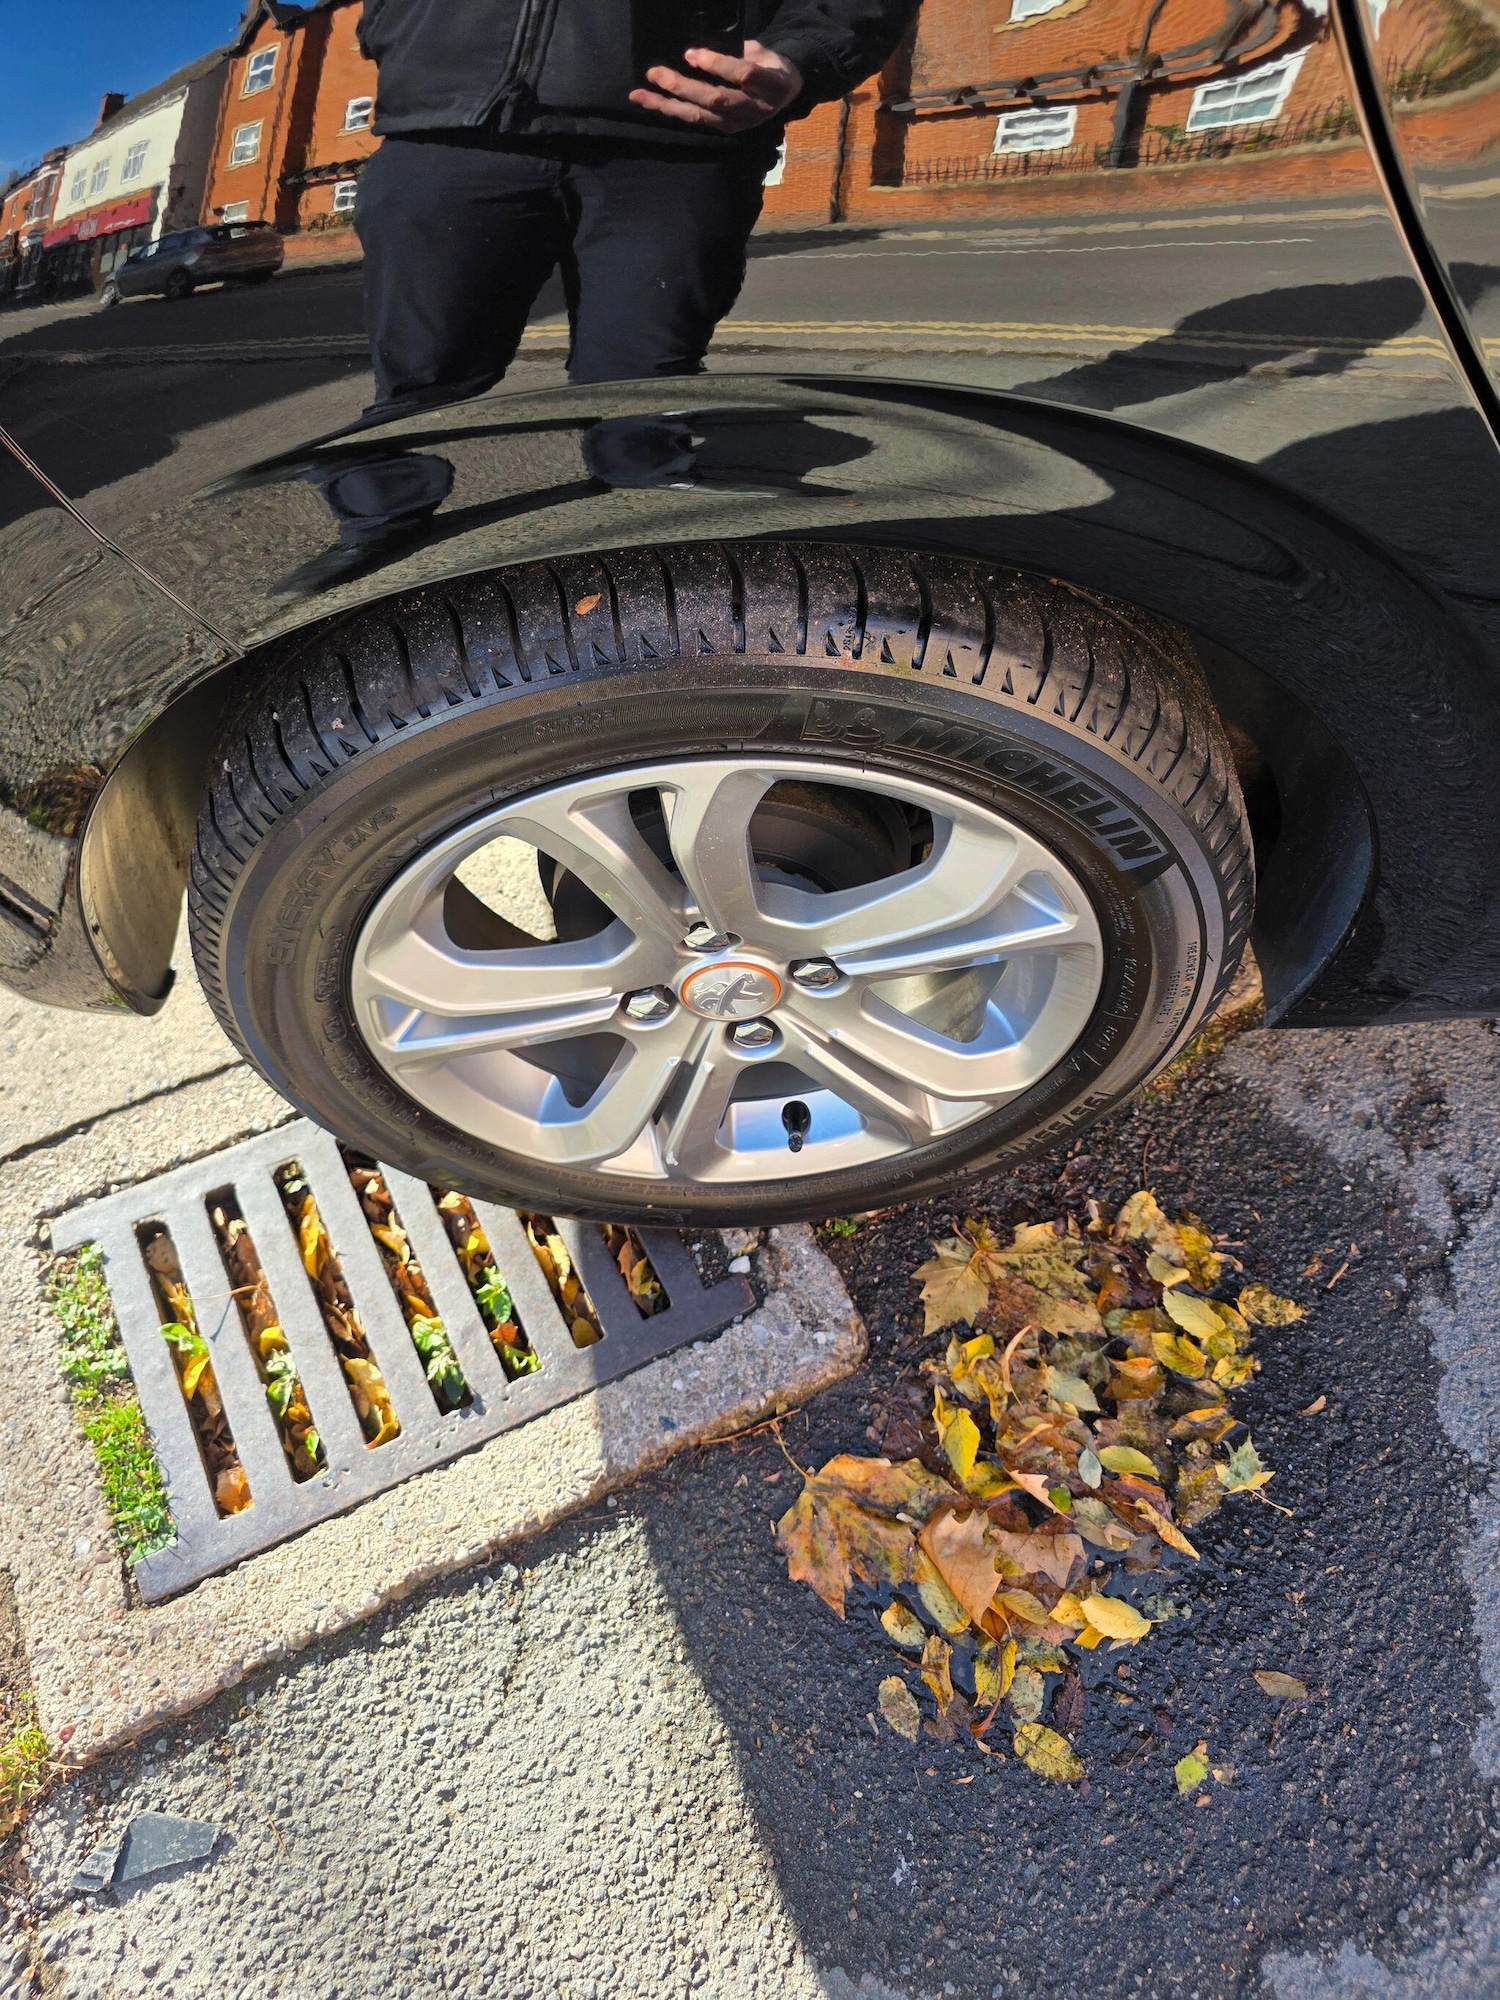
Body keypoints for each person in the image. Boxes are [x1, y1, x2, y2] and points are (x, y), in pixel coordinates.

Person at [352, 0, 921, 415]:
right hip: (447, 125)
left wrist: (802, 54)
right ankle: (382, 515)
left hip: (680, 137)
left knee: (644, 381)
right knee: (420, 375)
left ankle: (639, 506)